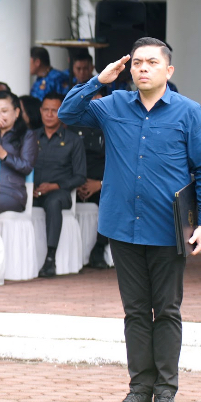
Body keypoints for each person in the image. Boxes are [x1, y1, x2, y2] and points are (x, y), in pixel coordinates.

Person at [60, 39, 201, 402]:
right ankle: (139, 392)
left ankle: (165, 394)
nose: (143, 68)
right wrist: (99, 80)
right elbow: (68, 112)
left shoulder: (188, 112)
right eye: (137, 63)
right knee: (134, 312)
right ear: (129, 69)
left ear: (168, 70)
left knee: (166, 311)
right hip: (123, 226)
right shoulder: (113, 105)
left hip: (168, 229)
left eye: (152, 62)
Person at [31, 92, 86, 278]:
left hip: (60, 193)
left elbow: (80, 176)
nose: (49, 114)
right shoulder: (32, 136)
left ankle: (50, 259)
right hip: (33, 191)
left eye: (54, 111)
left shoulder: (73, 140)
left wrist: (54, 186)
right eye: (45, 110)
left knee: (53, 202)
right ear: (40, 111)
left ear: (63, 112)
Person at [0, 91, 37, 214]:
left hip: (11, 192)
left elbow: (27, 167)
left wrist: (3, 154)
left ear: (16, 112)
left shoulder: (27, 135)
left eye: (4, 111)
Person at [74, 88, 109, 269]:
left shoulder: (112, 125)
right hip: (76, 183)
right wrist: (77, 183)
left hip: (104, 183)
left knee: (114, 200)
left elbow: (119, 163)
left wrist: (100, 184)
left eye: (97, 96)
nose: (93, 100)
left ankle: (99, 249)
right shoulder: (73, 125)